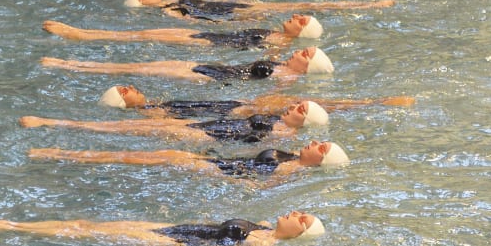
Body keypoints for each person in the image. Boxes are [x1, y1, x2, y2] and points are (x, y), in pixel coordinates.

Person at [0, 210, 324, 246]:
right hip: (179, 228)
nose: (295, 213)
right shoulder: (261, 227)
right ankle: (12, 225)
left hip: (173, 240)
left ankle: (8, 226)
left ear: (298, 233)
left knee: (85, 230)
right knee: (88, 224)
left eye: (302, 218)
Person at [28, 138, 349, 183]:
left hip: (217, 171)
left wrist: (219, 178)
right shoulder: (290, 155)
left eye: (319, 147)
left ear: (320, 161)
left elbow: (258, 189)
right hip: (219, 162)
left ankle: (63, 156)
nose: (313, 142)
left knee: (144, 158)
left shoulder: (290, 170)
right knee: (148, 157)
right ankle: (65, 155)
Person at [20, 98, 328, 144]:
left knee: (135, 130)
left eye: (299, 110)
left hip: (209, 138)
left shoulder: (284, 137)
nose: (292, 108)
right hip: (212, 127)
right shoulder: (278, 123)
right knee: (141, 124)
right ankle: (56, 122)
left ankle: (56, 123)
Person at [39, 45, 333, 85]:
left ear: (307, 68)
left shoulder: (286, 79)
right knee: (139, 66)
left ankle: (71, 66)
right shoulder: (278, 61)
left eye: (305, 54)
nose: (298, 52)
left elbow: (268, 102)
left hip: (210, 80)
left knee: (139, 72)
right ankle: (75, 63)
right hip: (213, 66)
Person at [96, 85, 414, 118]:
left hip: (228, 108)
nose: (132, 87)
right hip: (231, 113)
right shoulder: (151, 114)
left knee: (295, 103)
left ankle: (377, 103)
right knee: (294, 103)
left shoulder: (154, 108)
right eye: (126, 90)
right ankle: (378, 103)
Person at [40, 12, 322, 49]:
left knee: (141, 38)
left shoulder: (279, 46)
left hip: (211, 46)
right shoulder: (273, 32)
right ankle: (84, 32)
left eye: (301, 20)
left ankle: (79, 34)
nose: (295, 16)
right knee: (143, 35)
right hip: (207, 36)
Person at [123, 0, 394, 21]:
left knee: (303, 3)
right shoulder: (170, 10)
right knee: (306, 4)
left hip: (234, 4)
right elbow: (200, 22)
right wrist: (242, 18)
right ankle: (370, 4)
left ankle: (368, 4)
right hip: (234, 13)